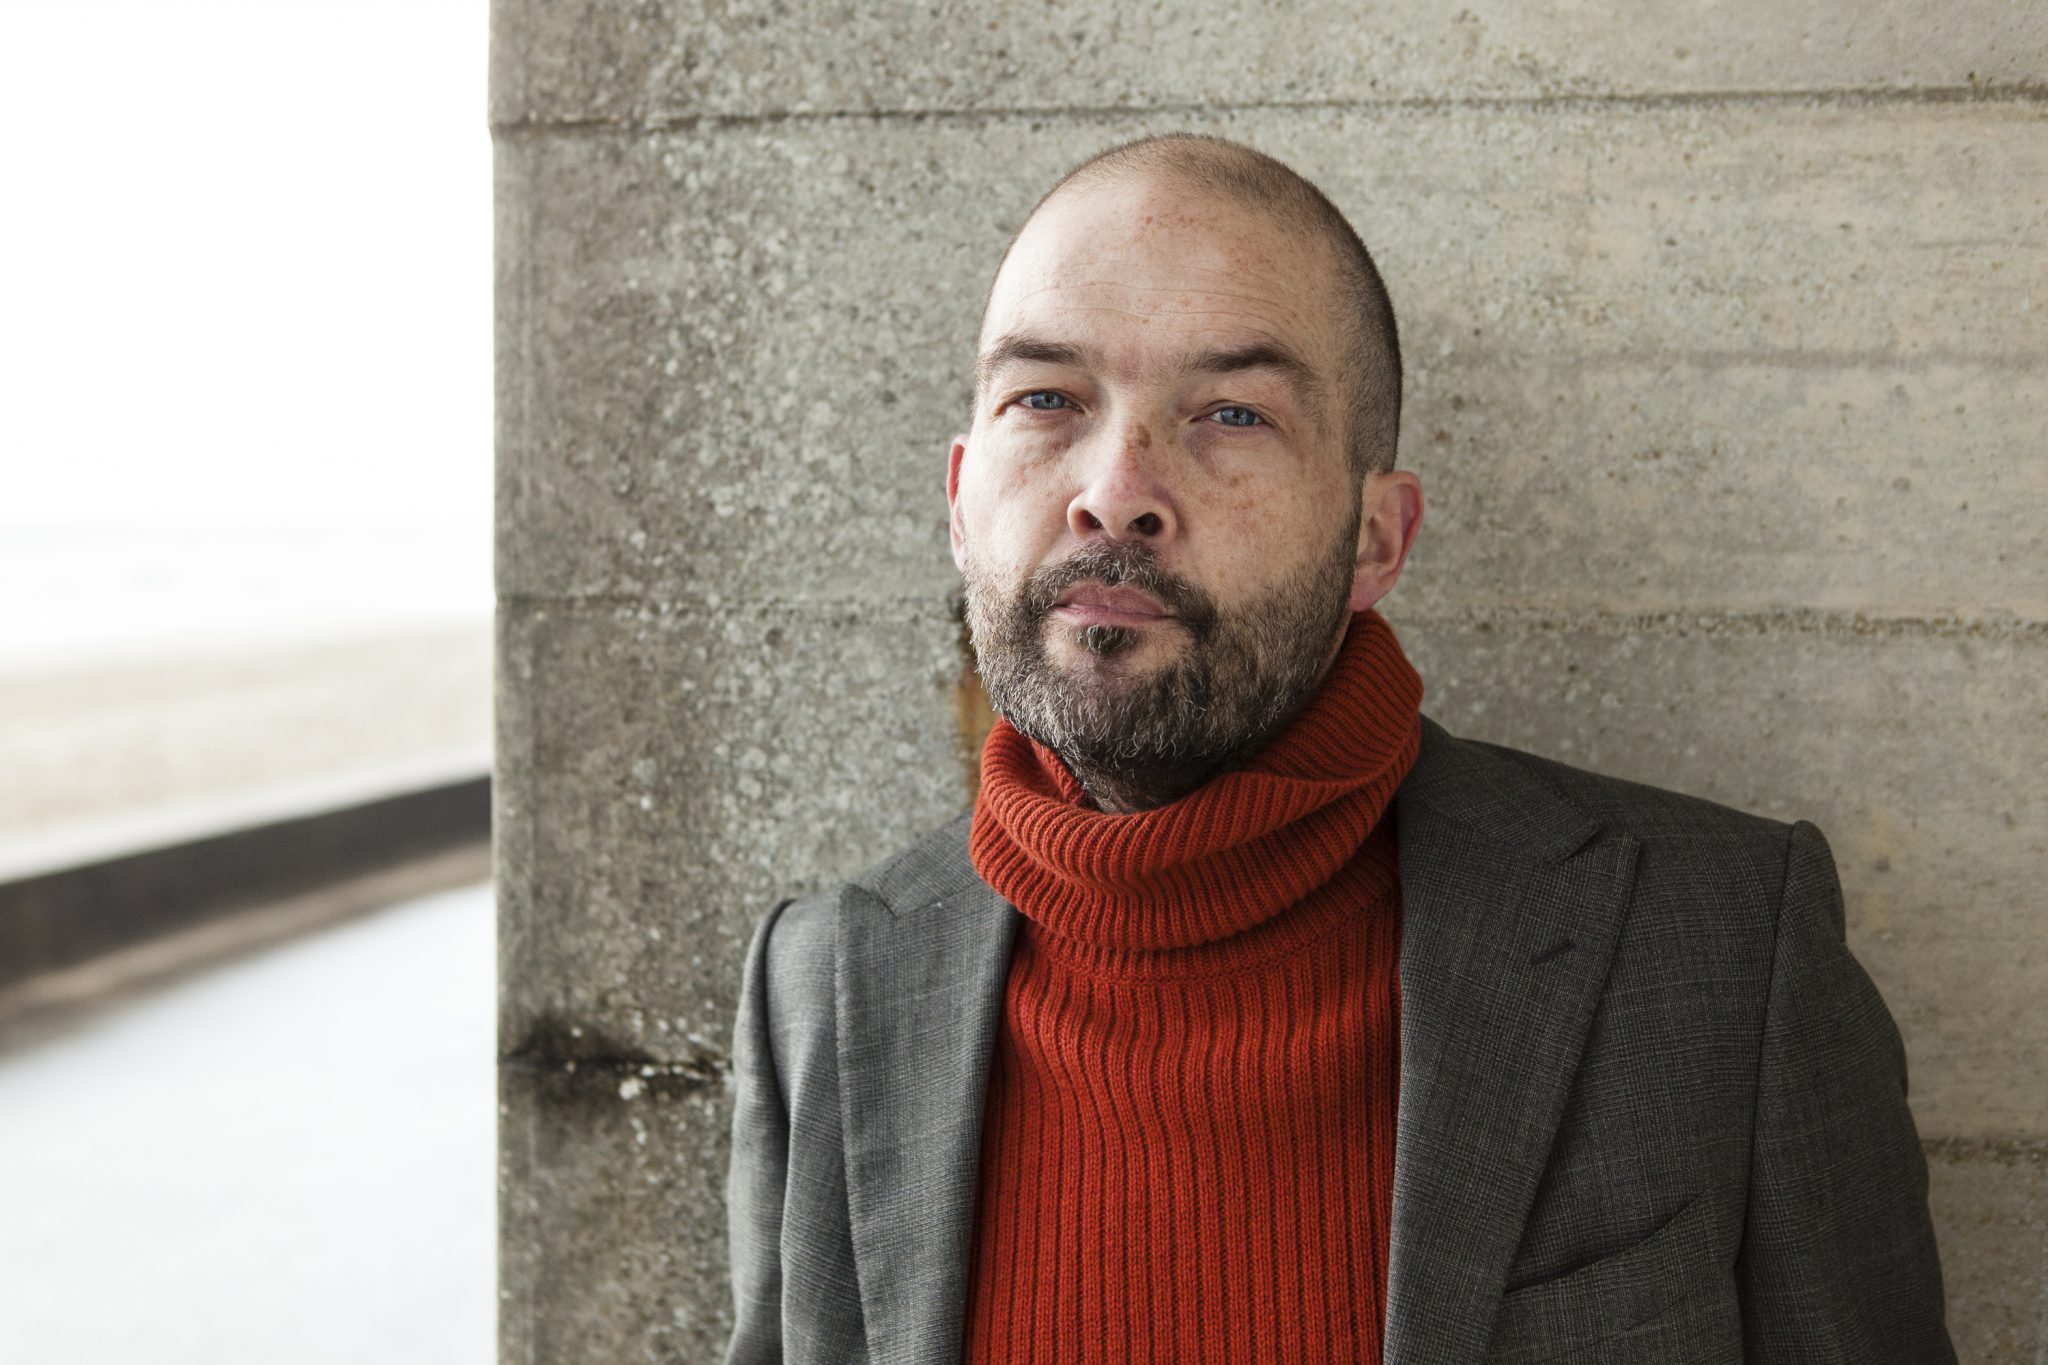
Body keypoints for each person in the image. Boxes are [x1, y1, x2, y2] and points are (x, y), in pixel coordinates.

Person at [722, 134, 1953, 1364]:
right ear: (957, 497)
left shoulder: (1720, 952)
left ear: (1375, 539)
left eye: (1231, 414)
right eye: (1044, 399)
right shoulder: (819, 989)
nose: (1115, 491)